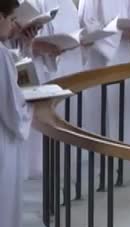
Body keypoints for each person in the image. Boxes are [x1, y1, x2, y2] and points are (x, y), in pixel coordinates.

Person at [21, 0, 87, 179]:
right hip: (40, 72)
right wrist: (41, 46)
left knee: (66, 121)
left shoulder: (68, 4)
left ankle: (66, 168)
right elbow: (17, 38)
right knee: (43, 127)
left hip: (68, 67)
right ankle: (39, 169)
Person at [0, 0, 34, 227]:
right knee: (5, 208)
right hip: (3, 143)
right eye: (11, 19)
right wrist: (32, 109)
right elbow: (12, 109)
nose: (13, 26)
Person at [78, 0, 130, 145]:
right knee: (102, 123)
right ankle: (100, 164)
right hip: (100, 63)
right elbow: (88, 27)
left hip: (124, 59)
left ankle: (126, 160)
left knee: (124, 124)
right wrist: (120, 33)